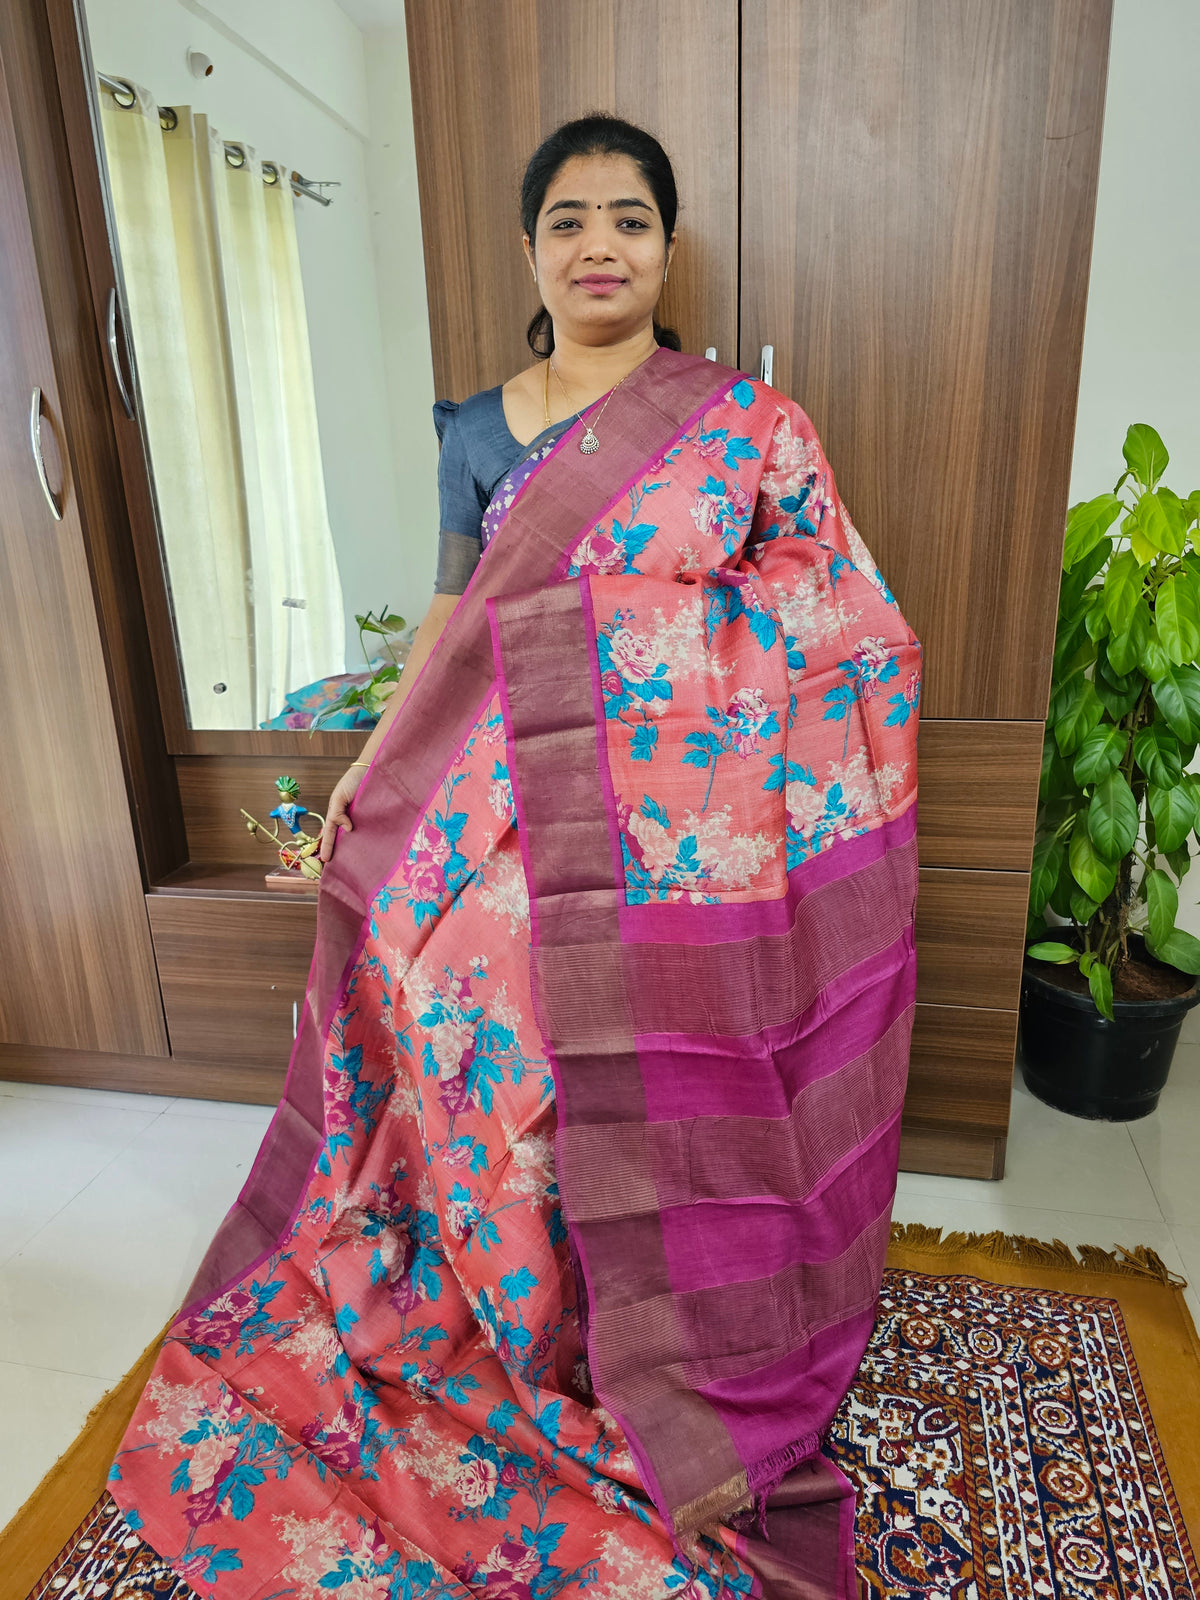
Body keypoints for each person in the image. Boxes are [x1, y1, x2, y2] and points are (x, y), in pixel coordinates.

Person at [110, 115, 922, 1600]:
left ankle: (635, 1335)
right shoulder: (475, 426)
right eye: (568, 219)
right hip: (483, 807)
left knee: (602, 1046)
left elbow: (847, 614)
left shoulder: (748, 422)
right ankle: (498, 1305)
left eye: (627, 218)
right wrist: (366, 767)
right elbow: (448, 621)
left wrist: (617, 645)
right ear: (530, 249)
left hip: (670, 842)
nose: (598, 243)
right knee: (459, 1013)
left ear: (667, 249)